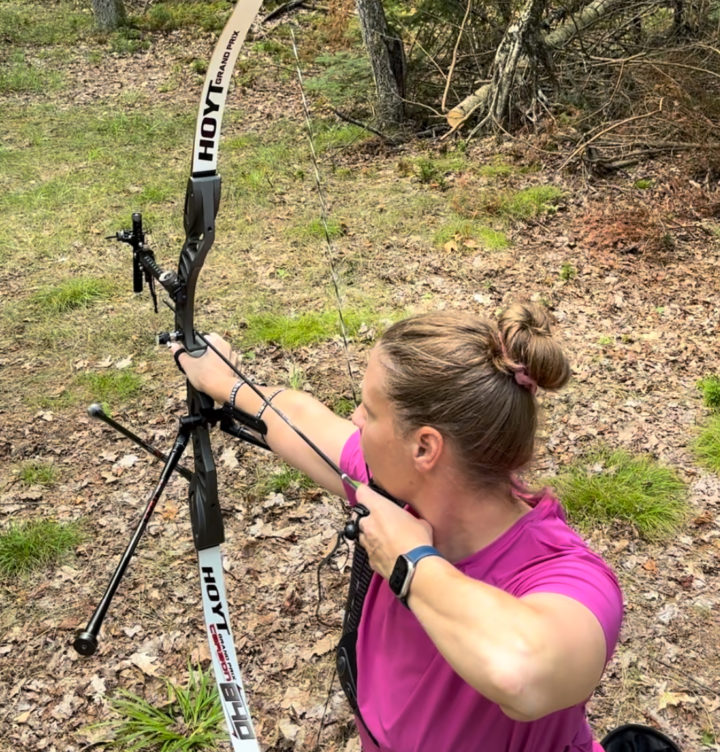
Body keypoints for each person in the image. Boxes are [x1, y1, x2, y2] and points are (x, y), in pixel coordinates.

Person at [171, 301, 623, 752]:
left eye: (369, 410)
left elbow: (520, 671)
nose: (355, 420)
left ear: (425, 448)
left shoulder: (571, 577)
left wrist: (411, 564)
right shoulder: (403, 491)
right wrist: (225, 382)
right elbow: (307, 424)